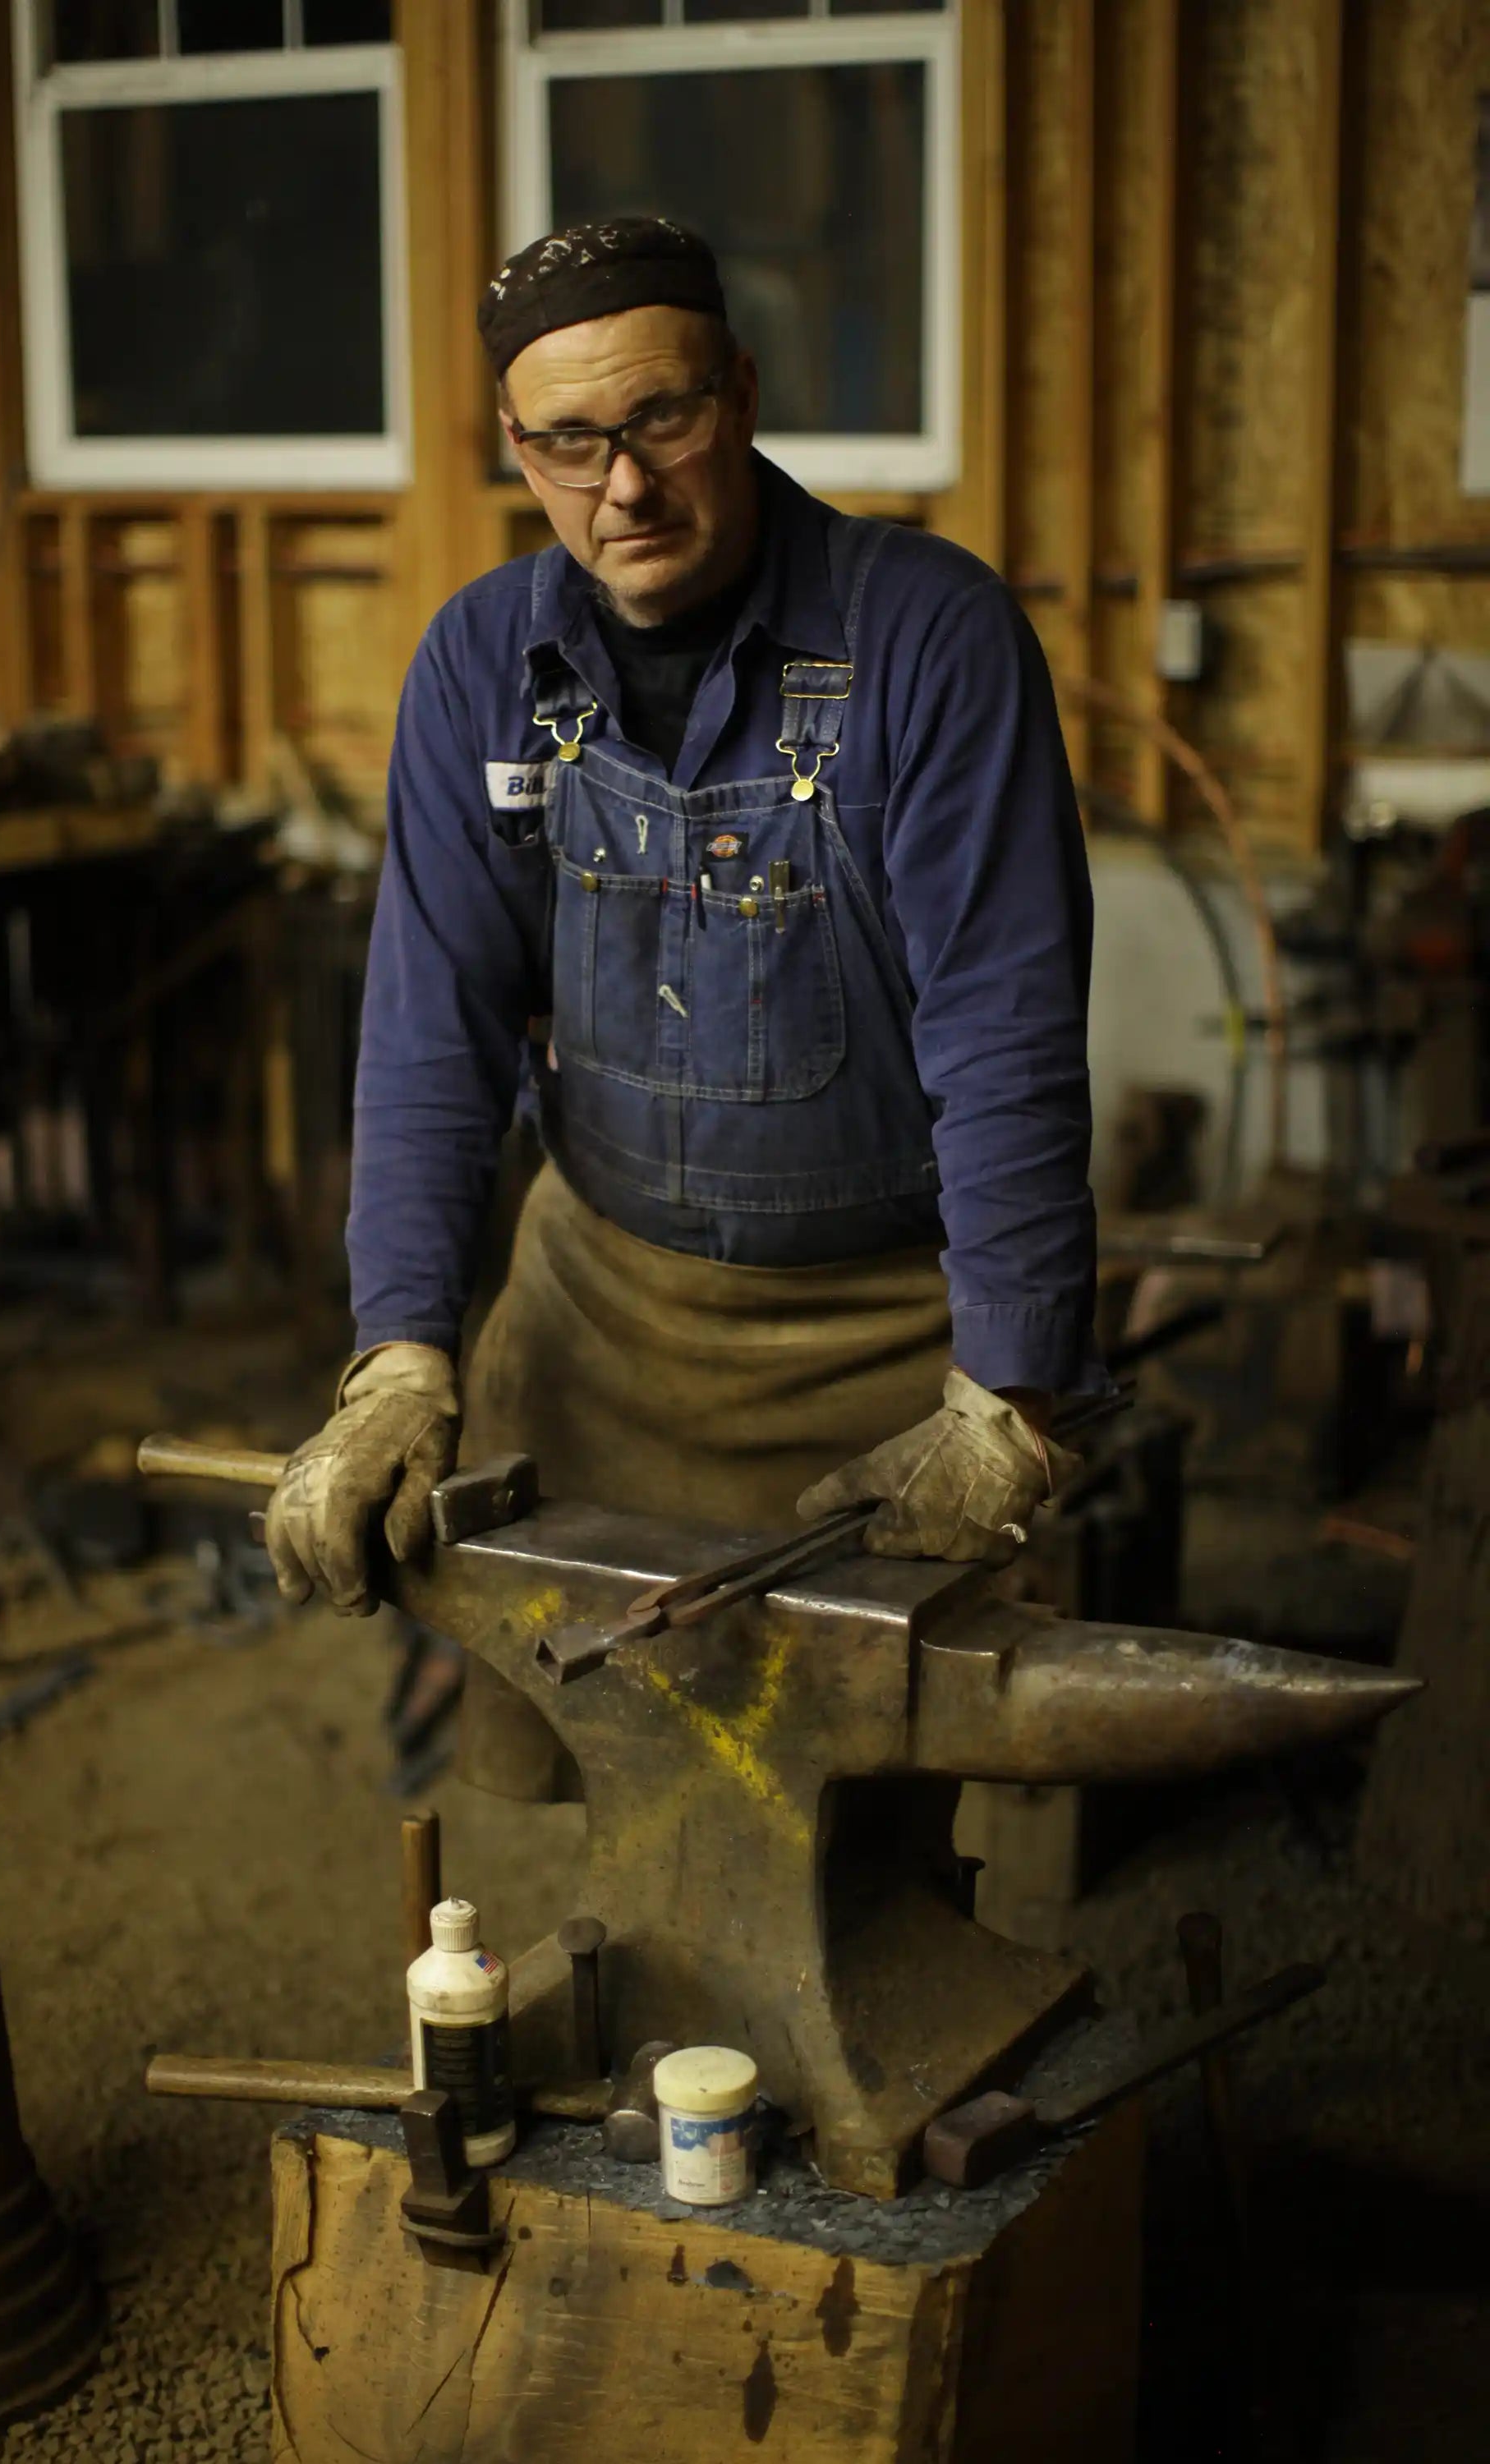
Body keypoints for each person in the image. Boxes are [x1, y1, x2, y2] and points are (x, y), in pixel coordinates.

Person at [264, 216, 1102, 1690]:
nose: (626, 487)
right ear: (517, 448)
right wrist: (397, 1354)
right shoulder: (481, 665)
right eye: (572, 442)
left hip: (888, 1357)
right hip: (592, 1335)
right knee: (588, 1802)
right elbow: (428, 1032)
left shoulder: (927, 636)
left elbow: (1007, 1034)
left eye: (663, 417)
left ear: (742, 392)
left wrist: (1012, 1392)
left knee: (854, 1825)